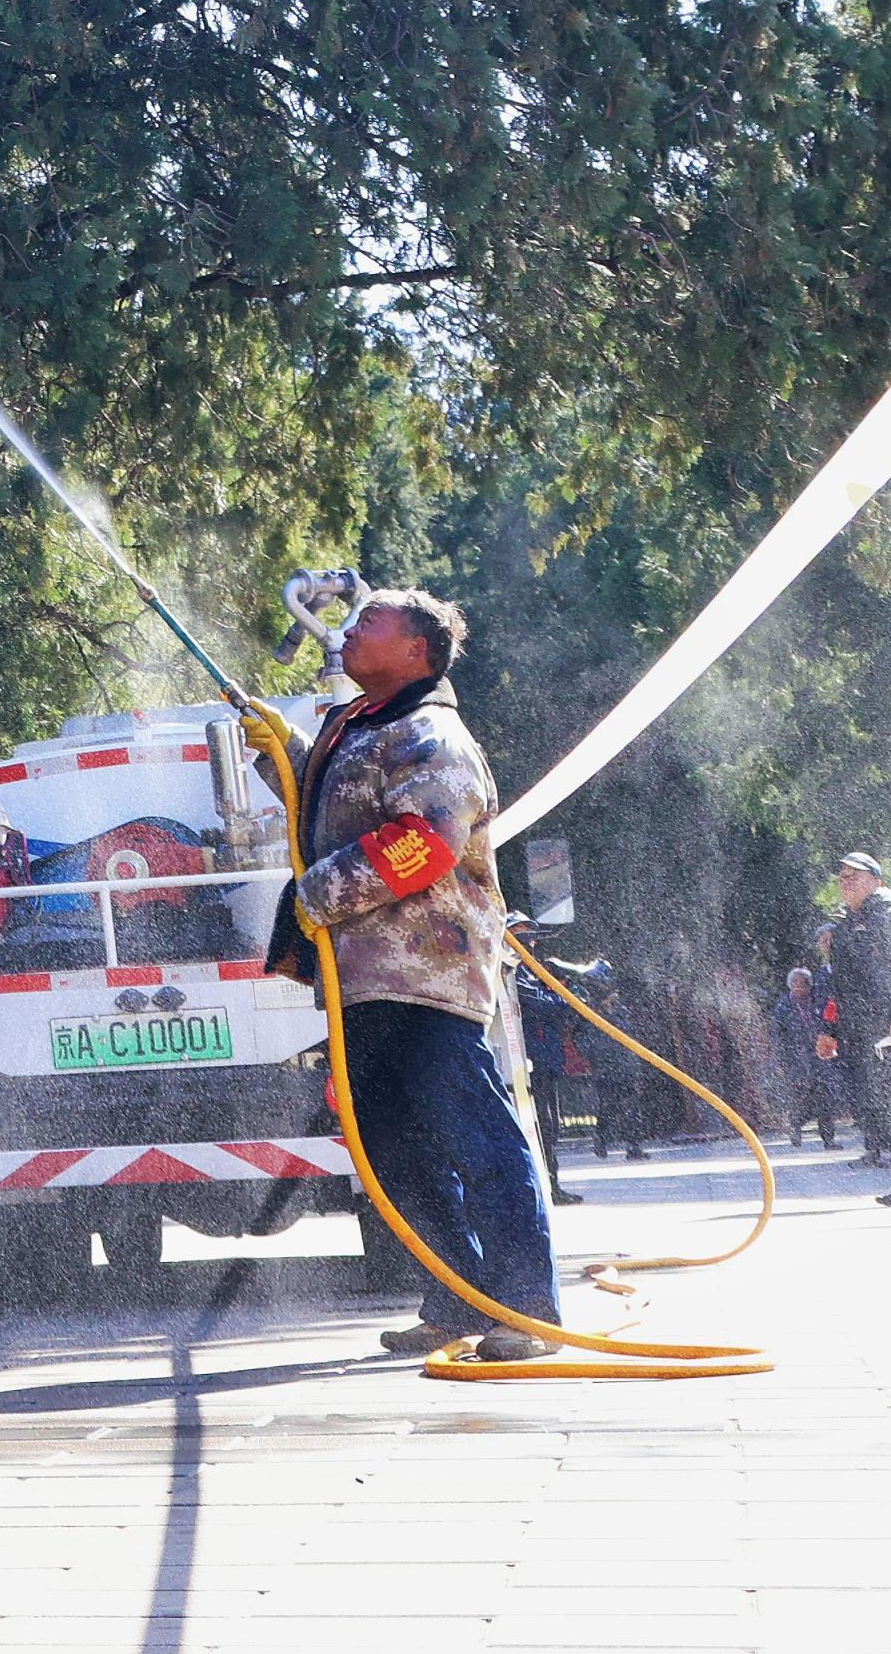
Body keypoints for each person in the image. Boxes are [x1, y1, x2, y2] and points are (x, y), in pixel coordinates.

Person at [264, 583, 558, 1363]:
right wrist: (284, 758)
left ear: (416, 651)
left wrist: (317, 895)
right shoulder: (357, 728)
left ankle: (528, 1310)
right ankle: (454, 1300)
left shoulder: (433, 735)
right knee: (398, 1154)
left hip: (428, 975)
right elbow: (336, 811)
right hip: (362, 979)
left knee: (478, 1141)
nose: (350, 632)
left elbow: (420, 845)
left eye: (370, 623)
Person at [824, 854, 891, 1203]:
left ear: (876, 880)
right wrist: (830, 1030)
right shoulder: (846, 926)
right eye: (842, 877)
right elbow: (840, 986)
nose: (847, 882)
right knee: (880, 1105)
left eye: (855, 876)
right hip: (863, 1032)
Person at [777, 961, 842, 1146]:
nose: (798, 987)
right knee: (800, 1099)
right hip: (796, 1059)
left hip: (819, 1057)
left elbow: (829, 1024)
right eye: (794, 983)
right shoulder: (783, 1007)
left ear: (809, 985)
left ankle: (829, 1139)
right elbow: (779, 1036)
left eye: (802, 983)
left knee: (825, 1098)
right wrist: (782, 1061)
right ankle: (795, 1129)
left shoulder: (819, 1002)